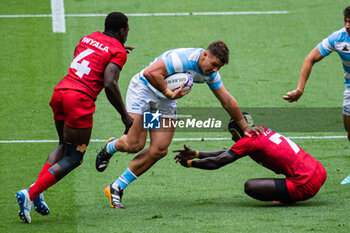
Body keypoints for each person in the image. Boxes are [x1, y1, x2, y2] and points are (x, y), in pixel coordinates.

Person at [95, 41, 264, 209]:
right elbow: (150, 73)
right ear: (205, 54)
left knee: (159, 149)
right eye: (214, 64)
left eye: (218, 67)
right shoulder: (182, 59)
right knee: (134, 144)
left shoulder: (210, 74)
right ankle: (111, 147)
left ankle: (117, 187)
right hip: (144, 92)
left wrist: (245, 127)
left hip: (165, 102)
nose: (215, 70)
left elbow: (226, 99)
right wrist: (168, 93)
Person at [15, 12, 134, 223]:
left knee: (63, 145)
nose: (127, 34)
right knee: (75, 157)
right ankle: (30, 193)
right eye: (127, 31)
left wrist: (114, 52)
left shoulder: (88, 37)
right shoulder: (117, 51)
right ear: (122, 30)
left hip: (61, 92)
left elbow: (89, 59)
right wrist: (125, 117)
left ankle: (36, 192)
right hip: (79, 100)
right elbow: (109, 83)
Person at [174, 113, 327, 203]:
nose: (232, 138)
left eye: (232, 133)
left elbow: (218, 162)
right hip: (319, 170)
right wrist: (196, 154)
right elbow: (227, 152)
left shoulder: (248, 141)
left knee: (250, 187)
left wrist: (189, 164)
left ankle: (287, 197)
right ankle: (287, 192)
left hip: (305, 184)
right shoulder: (260, 132)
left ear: (239, 130)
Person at [282, 6, 350, 184]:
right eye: (346, 21)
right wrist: (300, 89)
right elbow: (310, 58)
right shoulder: (338, 38)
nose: (348, 25)